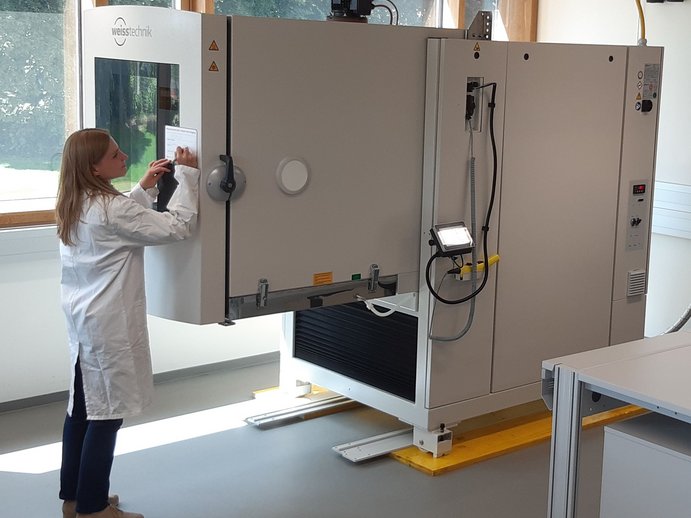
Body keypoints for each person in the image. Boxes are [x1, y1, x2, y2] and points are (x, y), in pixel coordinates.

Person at [55, 128, 200, 518]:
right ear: (95, 168)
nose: (124, 157)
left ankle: (73, 498)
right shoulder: (112, 208)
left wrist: (142, 188)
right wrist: (187, 175)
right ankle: (93, 507)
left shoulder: (77, 201)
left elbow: (117, 224)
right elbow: (177, 227)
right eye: (116, 155)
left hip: (83, 319)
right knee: (107, 415)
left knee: (83, 410)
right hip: (107, 324)